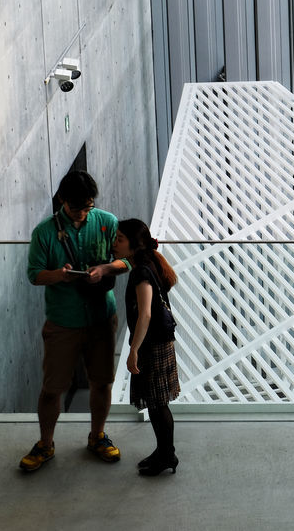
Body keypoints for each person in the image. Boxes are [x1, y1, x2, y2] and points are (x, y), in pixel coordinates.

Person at [20, 170, 131, 472]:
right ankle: (45, 444)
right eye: (76, 207)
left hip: (100, 318)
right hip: (63, 321)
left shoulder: (107, 222)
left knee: (102, 382)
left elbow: (129, 258)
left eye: (88, 207)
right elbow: (34, 274)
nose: (82, 213)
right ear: (61, 201)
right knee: (53, 387)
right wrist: (60, 275)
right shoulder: (44, 233)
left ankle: (97, 435)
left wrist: (107, 269)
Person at [112, 218, 181, 476]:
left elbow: (146, 315)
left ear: (134, 243)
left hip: (152, 344)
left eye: (119, 239)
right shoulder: (148, 262)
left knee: (158, 403)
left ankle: (167, 454)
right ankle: (164, 451)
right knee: (157, 402)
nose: (115, 243)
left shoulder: (141, 271)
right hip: (160, 341)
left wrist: (133, 350)